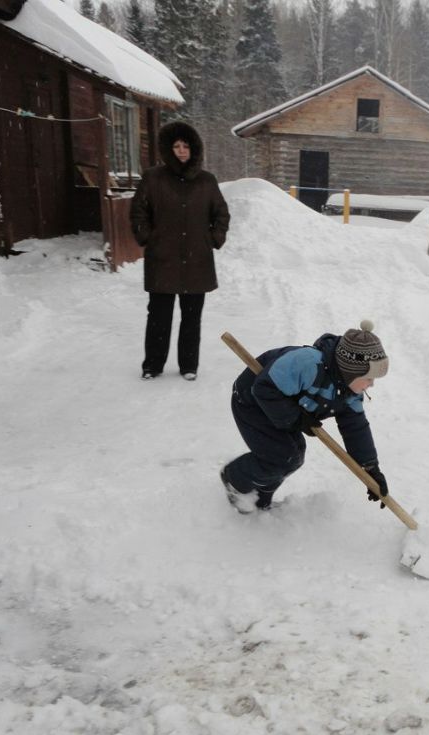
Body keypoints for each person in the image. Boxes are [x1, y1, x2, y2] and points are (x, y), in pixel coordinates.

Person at [221, 321, 390, 513]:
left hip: (283, 408)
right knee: (282, 456)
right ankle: (235, 479)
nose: (372, 384)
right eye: (369, 378)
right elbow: (264, 388)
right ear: (351, 371)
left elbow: (356, 429)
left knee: (293, 456)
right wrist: (296, 419)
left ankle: (260, 499)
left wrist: (370, 469)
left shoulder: (350, 392)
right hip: (253, 401)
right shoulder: (308, 363)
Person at [130, 121, 230, 381]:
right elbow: (138, 211)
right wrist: (148, 238)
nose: (182, 151)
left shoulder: (206, 181)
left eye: (186, 146)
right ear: (168, 149)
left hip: (197, 260)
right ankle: (153, 365)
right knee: (158, 317)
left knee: (191, 317)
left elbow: (221, 214)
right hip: (162, 259)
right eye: (176, 146)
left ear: (194, 148)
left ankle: (188, 365)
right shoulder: (153, 178)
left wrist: (213, 239)